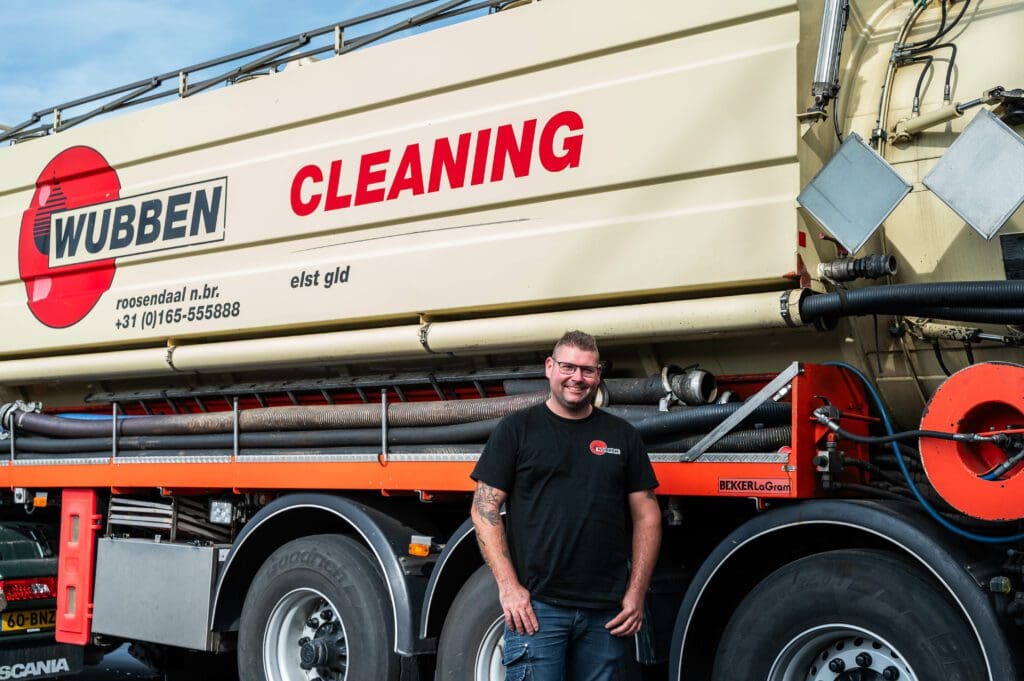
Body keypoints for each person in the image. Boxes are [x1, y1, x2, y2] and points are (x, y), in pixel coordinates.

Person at [470, 330, 661, 681]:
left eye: (587, 370)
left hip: (606, 612)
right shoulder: (517, 430)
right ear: (549, 367)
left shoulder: (622, 436)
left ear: (598, 375)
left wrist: (636, 593)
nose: (577, 378)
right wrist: (509, 588)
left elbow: (647, 515)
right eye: (568, 367)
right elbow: (484, 509)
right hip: (538, 609)